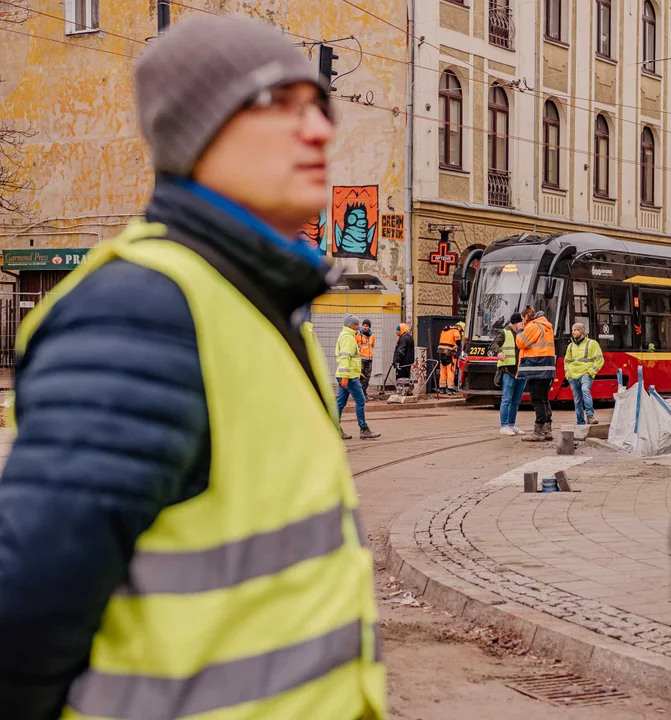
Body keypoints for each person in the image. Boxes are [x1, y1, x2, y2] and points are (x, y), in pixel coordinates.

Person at [0, 15, 385, 720]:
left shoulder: (263, 300)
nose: (321, 131)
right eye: (279, 104)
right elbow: (27, 610)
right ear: (198, 129)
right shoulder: (141, 310)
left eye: (319, 107)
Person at [336, 315, 379, 440]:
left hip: (347, 374)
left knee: (340, 403)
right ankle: (364, 429)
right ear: (351, 325)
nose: (359, 326)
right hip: (348, 376)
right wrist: (346, 375)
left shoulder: (345, 335)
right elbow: (345, 357)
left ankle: (335, 428)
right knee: (360, 400)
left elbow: (350, 358)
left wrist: (356, 371)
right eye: (357, 324)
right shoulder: (348, 338)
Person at [517, 306, 555, 442]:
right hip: (547, 367)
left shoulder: (533, 326)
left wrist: (520, 329)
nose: (522, 322)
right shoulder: (546, 326)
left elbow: (521, 343)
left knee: (537, 399)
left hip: (536, 367)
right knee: (544, 398)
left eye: (522, 319)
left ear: (527, 316)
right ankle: (547, 429)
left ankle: (538, 431)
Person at [490, 312, 526, 435]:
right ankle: (504, 425)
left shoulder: (522, 333)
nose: (523, 324)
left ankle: (512, 424)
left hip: (520, 371)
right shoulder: (504, 332)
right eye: (522, 322)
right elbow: (494, 344)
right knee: (507, 399)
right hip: (509, 370)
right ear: (516, 323)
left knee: (516, 400)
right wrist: (498, 352)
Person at [564, 322, 603, 425]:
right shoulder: (570, 346)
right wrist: (568, 374)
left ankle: (590, 416)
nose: (573, 332)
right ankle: (580, 421)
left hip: (586, 373)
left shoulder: (592, 343)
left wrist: (591, 372)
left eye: (575, 330)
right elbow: (567, 362)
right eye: (572, 330)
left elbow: (599, 360)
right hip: (573, 376)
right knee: (577, 400)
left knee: (585, 390)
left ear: (581, 331)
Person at [436, 320, 465, 394]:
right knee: (451, 370)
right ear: (460, 327)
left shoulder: (445, 329)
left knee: (443, 370)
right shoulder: (455, 330)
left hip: (441, 352)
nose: (461, 332)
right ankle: (450, 388)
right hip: (450, 353)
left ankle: (442, 388)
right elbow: (458, 339)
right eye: (461, 330)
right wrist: (458, 345)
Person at [392, 322, 415, 396]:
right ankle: (408, 391)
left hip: (402, 363)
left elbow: (400, 351)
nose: (396, 332)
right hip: (408, 363)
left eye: (398, 330)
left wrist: (396, 361)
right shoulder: (409, 337)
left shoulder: (403, 339)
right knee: (406, 378)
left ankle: (401, 393)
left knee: (400, 379)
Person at [357, 318, 376, 394]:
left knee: (367, 378)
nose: (365, 327)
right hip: (360, 360)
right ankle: (361, 394)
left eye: (367, 326)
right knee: (360, 378)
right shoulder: (357, 335)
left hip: (369, 360)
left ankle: (363, 392)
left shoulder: (372, 336)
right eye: (363, 325)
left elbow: (372, 346)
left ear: (369, 327)